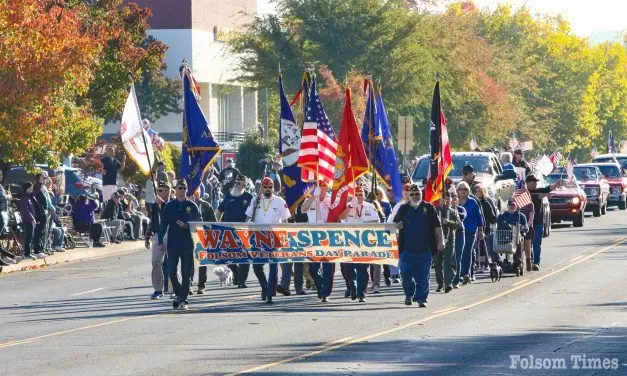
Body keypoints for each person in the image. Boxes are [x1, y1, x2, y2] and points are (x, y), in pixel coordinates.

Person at [393, 184, 444, 307]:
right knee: (405, 275)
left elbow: (437, 226)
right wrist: (397, 226)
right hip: (406, 250)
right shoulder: (403, 209)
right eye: (412, 194)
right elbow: (394, 224)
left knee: (423, 277)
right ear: (408, 196)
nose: (415, 196)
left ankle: (422, 298)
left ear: (421, 194)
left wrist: (440, 241)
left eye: (417, 194)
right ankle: (409, 294)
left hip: (425, 249)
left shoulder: (429, 208)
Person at [246, 177, 291, 304]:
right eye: (265, 187)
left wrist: (286, 236)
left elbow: (286, 220)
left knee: (273, 266)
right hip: (257, 236)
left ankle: (270, 293)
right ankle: (264, 286)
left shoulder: (280, 201)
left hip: (274, 236)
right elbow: (248, 217)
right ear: (261, 188)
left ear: (273, 188)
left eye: (270, 187)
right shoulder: (255, 200)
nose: (268, 189)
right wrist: (248, 224)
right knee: (256, 266)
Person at [158, 179, 201, 311]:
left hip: (188, 243)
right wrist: (160, 241)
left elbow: (199, 225)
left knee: (186, 272)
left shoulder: (192, 206)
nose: (182, 190)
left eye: (184, 188)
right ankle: (177, 293)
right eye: (180, 188)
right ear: (175, 190)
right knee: (171, 271)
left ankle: (183, 299)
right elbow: (163, 225)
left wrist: (187, 226)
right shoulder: (170, 206)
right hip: (173, 243)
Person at [339, 185, 380, 302]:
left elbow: (376, 221)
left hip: (364, 241)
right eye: (356, 194)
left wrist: (364, 223)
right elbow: (341, 217)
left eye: (361, 194)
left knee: (362, 268)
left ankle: (362, 293)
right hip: (350, 241)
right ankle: (353, 286)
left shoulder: (370, 206)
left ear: (364, 195)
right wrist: (350, 206)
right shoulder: (349, 206)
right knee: (348, 267)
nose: (359, 196)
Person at [216, 174, 253, 288]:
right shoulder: (228, 195)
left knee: (244, 257)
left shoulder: (249, 197)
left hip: (243, 231)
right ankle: (235, 272)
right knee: (227, 256)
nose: (237, 185)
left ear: (244, 185)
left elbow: (253, 214)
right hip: (228, 231)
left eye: (239, 183)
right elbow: (219, 211)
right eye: (236, 182)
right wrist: (216, 223)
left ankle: (241, 281)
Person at [301, 181, 334, 301]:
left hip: (328, 237)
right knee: (313, 268)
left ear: (327, 187)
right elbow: (303, 210)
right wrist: (314, 196)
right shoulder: (311, 199)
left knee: (328, 267)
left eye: (323, 186)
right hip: (313, 237)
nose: (321, 188)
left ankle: (325, 292)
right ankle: (320, 285)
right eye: (319, 186)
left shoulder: (330, 200)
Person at [525, 174, 561, 271]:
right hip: (526, 223)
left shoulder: (539, 192)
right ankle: (529, 261)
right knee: (527, 244)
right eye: (534, 182)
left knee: (537, 243)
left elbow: (547, 189)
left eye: (536, 182)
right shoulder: (523, 193)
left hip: (538, 222)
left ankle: (536, 263)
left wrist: (557, 184)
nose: (536, 184)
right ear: (528, 183)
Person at [145, 181, 171, 299]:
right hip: (157, 235)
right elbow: (152, 221)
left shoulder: (173, 203)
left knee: (172, 263)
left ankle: (174, 289)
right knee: (156, 262)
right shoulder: (155, 205)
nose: (158, 193)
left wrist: (163, 204)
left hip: (171, 235)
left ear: (168, 191)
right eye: (158, 190)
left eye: (161, 190)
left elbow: (171, 215)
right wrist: (147, 236)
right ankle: (158, 289)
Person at [456, 181, 484, 285]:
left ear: (468, 191)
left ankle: (466, 274)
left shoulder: (473, 202)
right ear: (457, 191)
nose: (463, 191)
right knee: (460, 253)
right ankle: (461, 274)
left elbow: (479, 217)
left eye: (465, 189)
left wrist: (480, 230)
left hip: (470, 230)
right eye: (460, 189)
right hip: (458, 230)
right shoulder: (455, 202)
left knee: (467, 251)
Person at [435, 187, 462, 293]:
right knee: (437, 262)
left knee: (448, 262)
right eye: (443, 198)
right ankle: (440, 283)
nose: (446, 200)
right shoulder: (435, 210)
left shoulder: (453, 212)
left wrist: (449, 223)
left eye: (448, 198)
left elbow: (459, 225)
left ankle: (448, 283)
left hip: (449, 239)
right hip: (437, 239)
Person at [193, 190, 217, 294]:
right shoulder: (185, 205)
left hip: (203, 236)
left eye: (195, 192)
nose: (194, 194)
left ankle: (201, 285)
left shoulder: (206, 206)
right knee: (189, 262)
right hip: (188, 236)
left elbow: (213, 222)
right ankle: (189, 284)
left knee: (202, 261)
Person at [495, 198, 528, 267]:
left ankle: (517, 261)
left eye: (513, 205)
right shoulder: (501, 216)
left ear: (516, 206)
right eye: (510, 205)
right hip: (504, 237)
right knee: (490, 237)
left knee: (518, 238)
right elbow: (497, 228)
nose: (511, 206)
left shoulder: (521, 216)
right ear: (507, 205)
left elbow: (526, 228)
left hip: (517, 237)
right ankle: (496, 260)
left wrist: (521, 227)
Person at [473, 184, 497, 271]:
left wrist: (494, 221)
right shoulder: (473, 203)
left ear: (483, 192)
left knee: (482, 247)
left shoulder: (486, 203)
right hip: (474, 228)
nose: (478, 193)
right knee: (477, 247)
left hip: (485, 228)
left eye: (480, 191)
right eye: (476, 192)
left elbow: (492, 216)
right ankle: (482, 263)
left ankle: (483, 264)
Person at [21, 182, 46, 259]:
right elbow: (26, 210)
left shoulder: (30, 196)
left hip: (32, 220)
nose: (32, 189)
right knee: (29, 237)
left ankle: (28, 252)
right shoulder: (24, 197)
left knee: (30, 236)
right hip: (28, 220)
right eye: (30, 188)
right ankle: (27, 253)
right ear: (27, 188)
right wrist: (32, 218)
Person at [451, 192, 467, 289]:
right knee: (448, 259)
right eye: (451, 197)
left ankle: (456, 280)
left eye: (455, 197)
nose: (453, 199)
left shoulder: (461, 209)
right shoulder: (445, 210)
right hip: (449, 235)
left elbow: (462, 216)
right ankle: (448, 280)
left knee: (457, 258)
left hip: (459, 234)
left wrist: (453, 211)